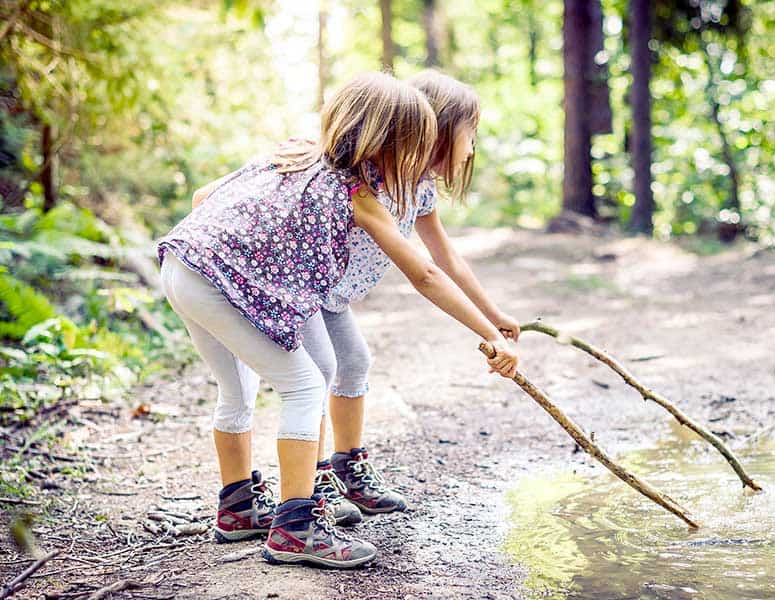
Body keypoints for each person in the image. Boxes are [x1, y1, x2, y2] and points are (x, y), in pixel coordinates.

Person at [157, 72, 519, 569]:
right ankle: (296, 527)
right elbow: (426, 274)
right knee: (306, 385)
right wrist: (488, 333)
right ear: (393, 143)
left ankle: (239, 506)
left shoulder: (309, 163)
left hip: (183, 263)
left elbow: (203, 199)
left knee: (244, 388)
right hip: (219, 282)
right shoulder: (356, 191)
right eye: (415, 143)